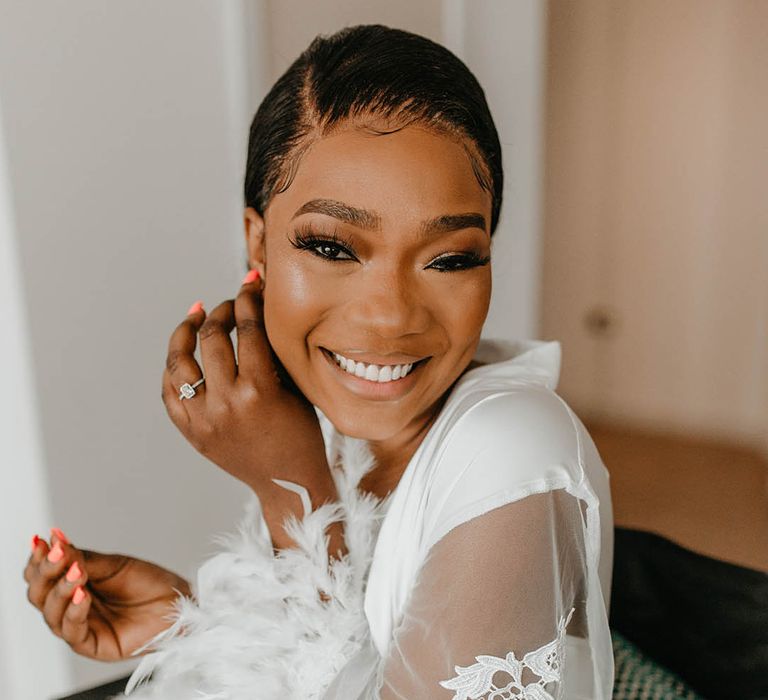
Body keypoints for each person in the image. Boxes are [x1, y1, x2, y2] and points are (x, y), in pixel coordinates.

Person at [23, 24, 614, 699]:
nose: (391, 315)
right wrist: (191, 624)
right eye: (334, 247)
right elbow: (360, 651)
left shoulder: (510, 451)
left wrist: (291, 498)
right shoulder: (334, 418)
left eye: (450, 258)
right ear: (259, 243)